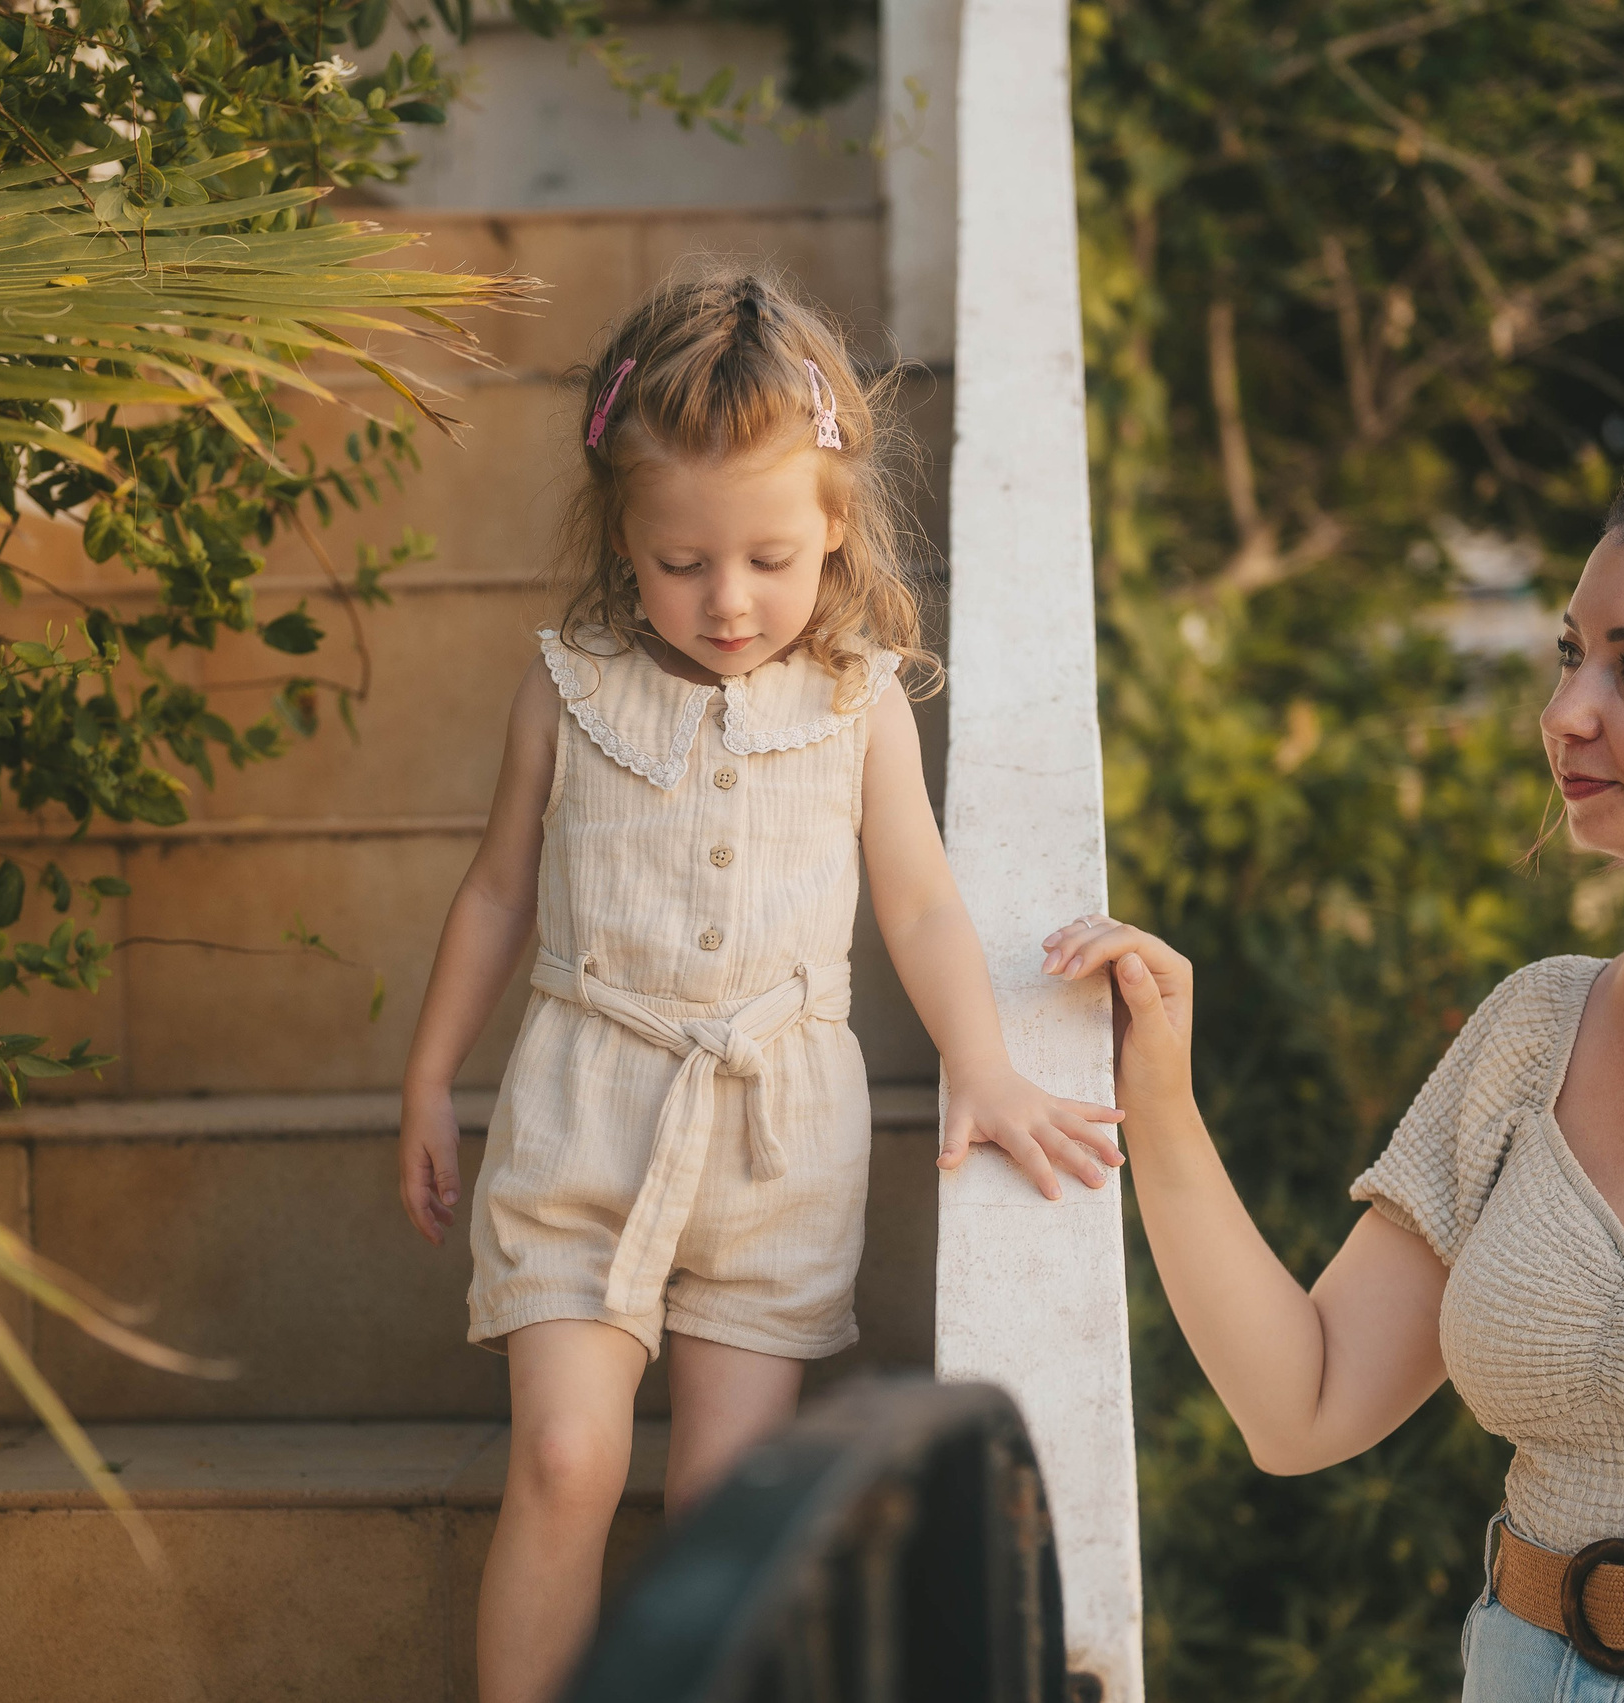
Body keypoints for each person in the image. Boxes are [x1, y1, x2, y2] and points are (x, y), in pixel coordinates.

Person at [1045, 472, 1624, 1700]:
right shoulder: (1532, 1029)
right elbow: (1304, 1403)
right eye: (1568, 656)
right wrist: (1162, 1103)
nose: (1565, 711)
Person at [396, 268, 1126, 1703]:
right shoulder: (569, 683)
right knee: (563, 1456)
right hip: (579, 1117)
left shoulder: (858, 702)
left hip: (780, 1144)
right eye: (681, 563)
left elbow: (917, 900)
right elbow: (494, 887)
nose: (728, 601)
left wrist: (979, 1061)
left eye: (770, 560)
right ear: (622, 534)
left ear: (836, 529)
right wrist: (429, 1072)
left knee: (728, 1507)